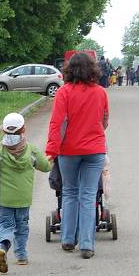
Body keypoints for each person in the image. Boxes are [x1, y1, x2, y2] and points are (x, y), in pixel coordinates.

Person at [45, 52, 109, 259]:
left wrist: (51, 150)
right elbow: (105, 120)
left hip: (69, 151)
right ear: (93, 69)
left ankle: (67, 239)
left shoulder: (64, 93)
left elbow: (57, 124)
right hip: (95, 150)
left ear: (69, 70)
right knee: (88, 196)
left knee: (70, 193)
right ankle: (87, 244)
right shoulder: (100, 93)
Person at [0, 112, 51, 273]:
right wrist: (50, 160)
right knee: (22, 226)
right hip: (24, 198)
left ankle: (3, 246)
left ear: (3, 130)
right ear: (24, 128)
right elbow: (45, 166)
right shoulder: (31, 150)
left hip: (6, 199)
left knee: (5, 225)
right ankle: (22, 256)